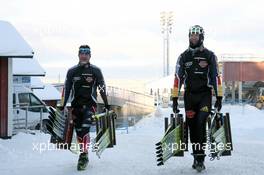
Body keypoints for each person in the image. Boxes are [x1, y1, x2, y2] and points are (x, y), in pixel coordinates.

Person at [171, 25, 223, 172]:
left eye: (196, 35)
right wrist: (175, 99)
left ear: (201, 37)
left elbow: (216, 77)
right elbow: (177, 79)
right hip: (189, 97)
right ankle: (196, 156)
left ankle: (201, 158)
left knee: (201, 121)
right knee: (192, 126)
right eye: (191, 35)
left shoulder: (210, 55)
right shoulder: (183, 56)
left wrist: (219, 97)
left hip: (204, 96)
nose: (193, 38)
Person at [62, 45, 110, 170]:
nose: (84, 55)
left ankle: (83, 155)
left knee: (84, 129)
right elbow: (66, 90)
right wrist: (62, 104)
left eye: (86, 53)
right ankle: (85, 153)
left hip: (90, 106)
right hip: (75, 107)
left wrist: (107, 104)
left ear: (90, 56)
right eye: (81, 53)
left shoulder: (96, 71)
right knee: (78, 131)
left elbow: (102, 89)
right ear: (78, 55)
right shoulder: (71, 71)